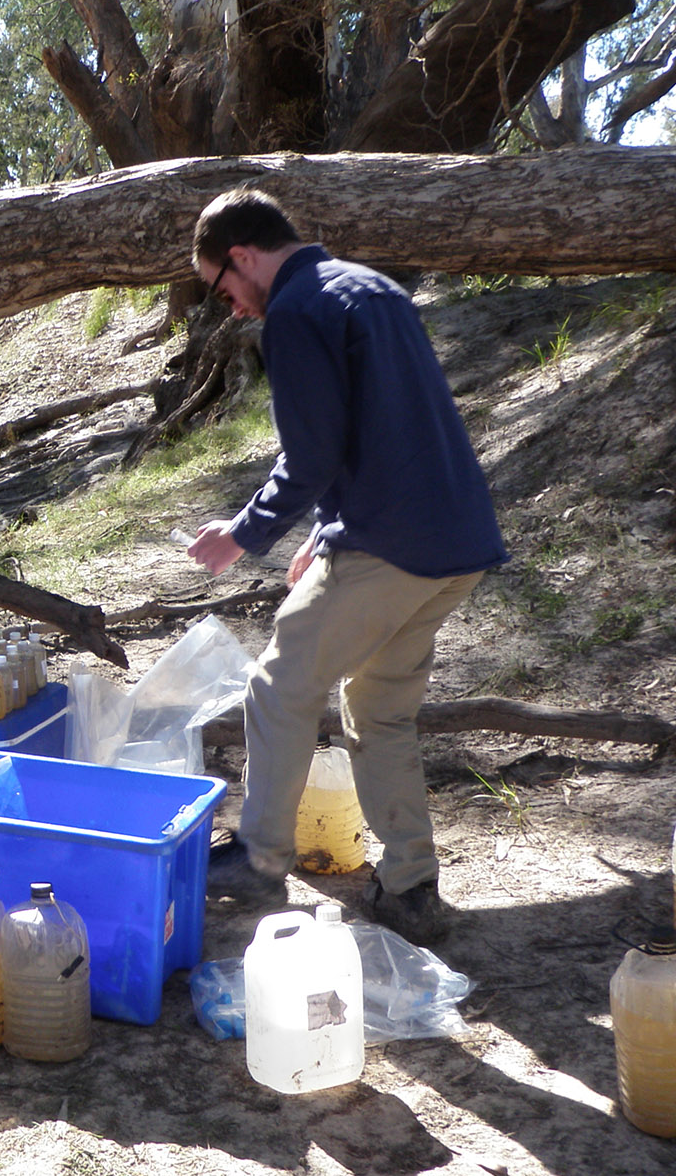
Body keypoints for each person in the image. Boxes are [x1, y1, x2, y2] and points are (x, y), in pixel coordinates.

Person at [184, 189, 507, 945]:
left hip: (393, 546)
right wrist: (329, 530)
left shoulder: (296, 311)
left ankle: (260, 860)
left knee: (278, 683)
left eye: (223, 288)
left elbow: (313, 453)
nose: (231, 307)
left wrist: (242, 534)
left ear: (243, 256)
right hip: (456, 545)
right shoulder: (374, 287)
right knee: (381, 709)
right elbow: (382, 427)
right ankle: (410, 891)